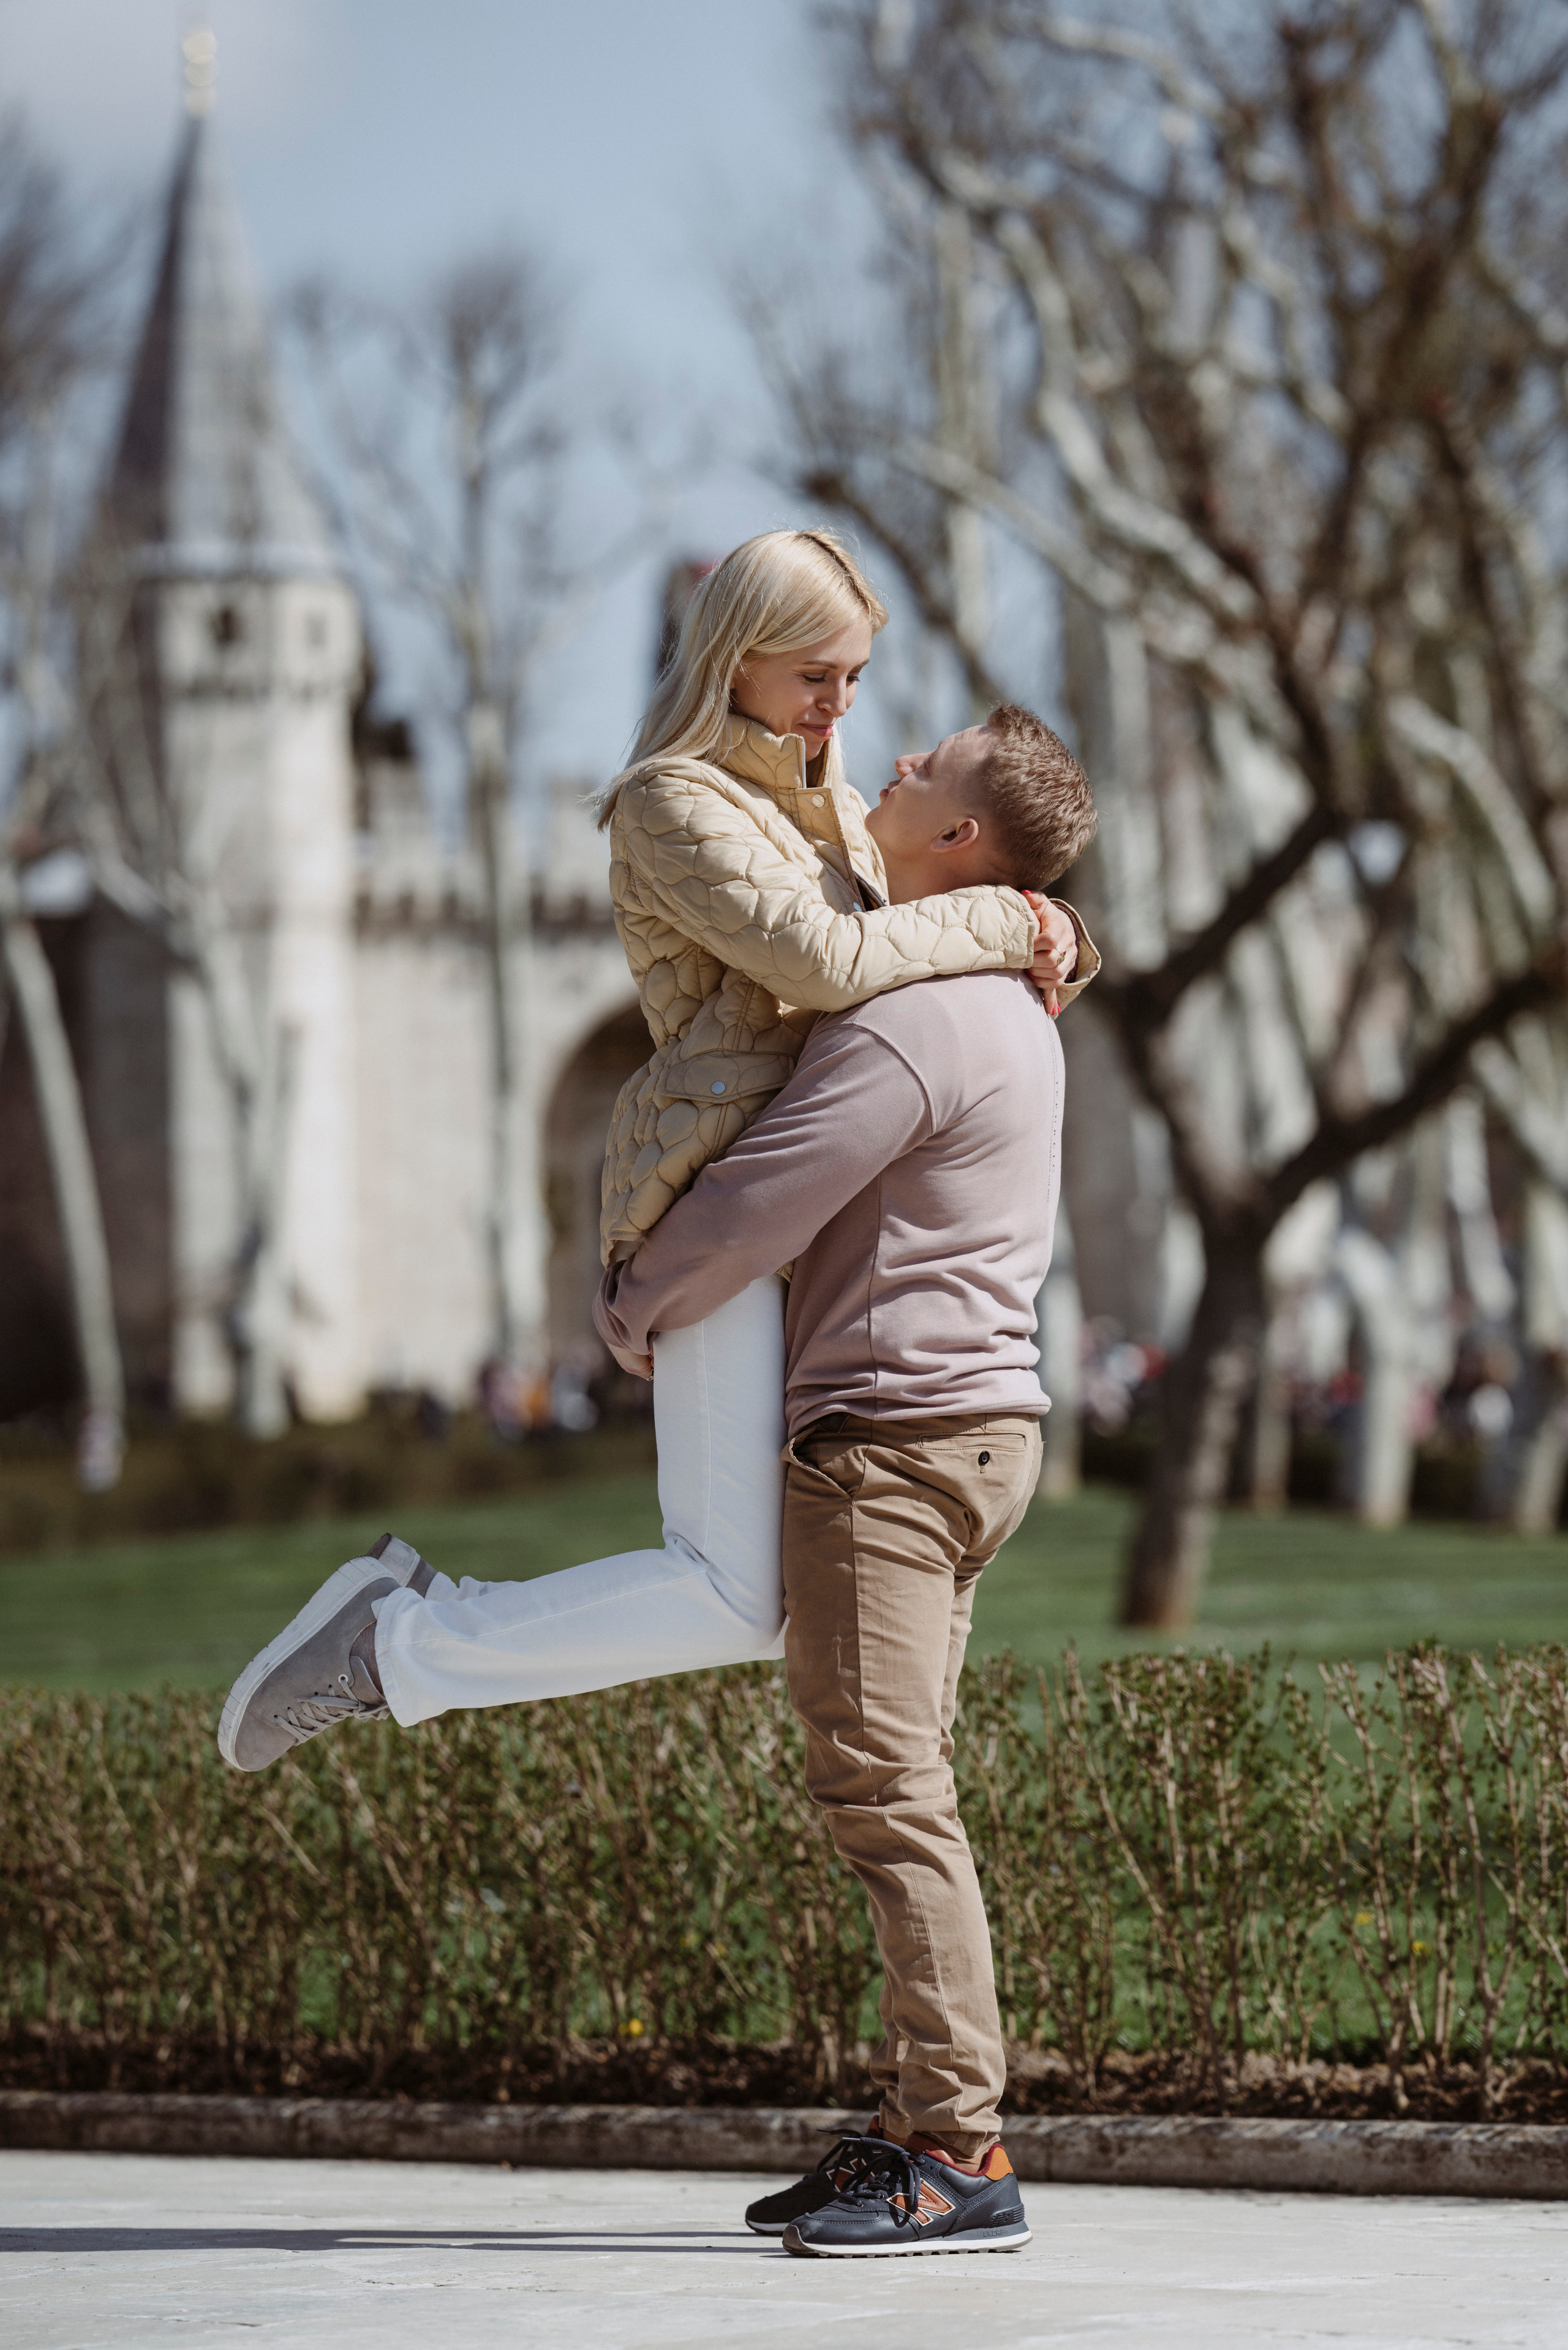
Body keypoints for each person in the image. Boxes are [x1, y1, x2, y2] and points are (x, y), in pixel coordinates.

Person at [218, 532, 1094, 1769]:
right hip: (710, 1205)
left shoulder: (837, 809)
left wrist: (1057, 929)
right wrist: (1010, 915)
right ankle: (390, 1647)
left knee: (755, 1602)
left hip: (786, 1231)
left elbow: (930, 943)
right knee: (733, 1596)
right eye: (817, 675)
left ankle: (403, 1622)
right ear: (736, 655)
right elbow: (827, 961)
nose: (845, 707)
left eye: (854, 675)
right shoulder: (670, 801)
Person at [589, 702, 1093, 2256]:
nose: (895, 761)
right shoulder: (1008, 1004)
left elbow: (763, 1192)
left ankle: (954, 2147)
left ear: (960, 840)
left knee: (884, 1791)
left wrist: (635, 1298)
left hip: (889, 1447)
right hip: (975, 1433)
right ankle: (921, 2120)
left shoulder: (913, 1023)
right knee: (904, 1782)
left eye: (928, 766)